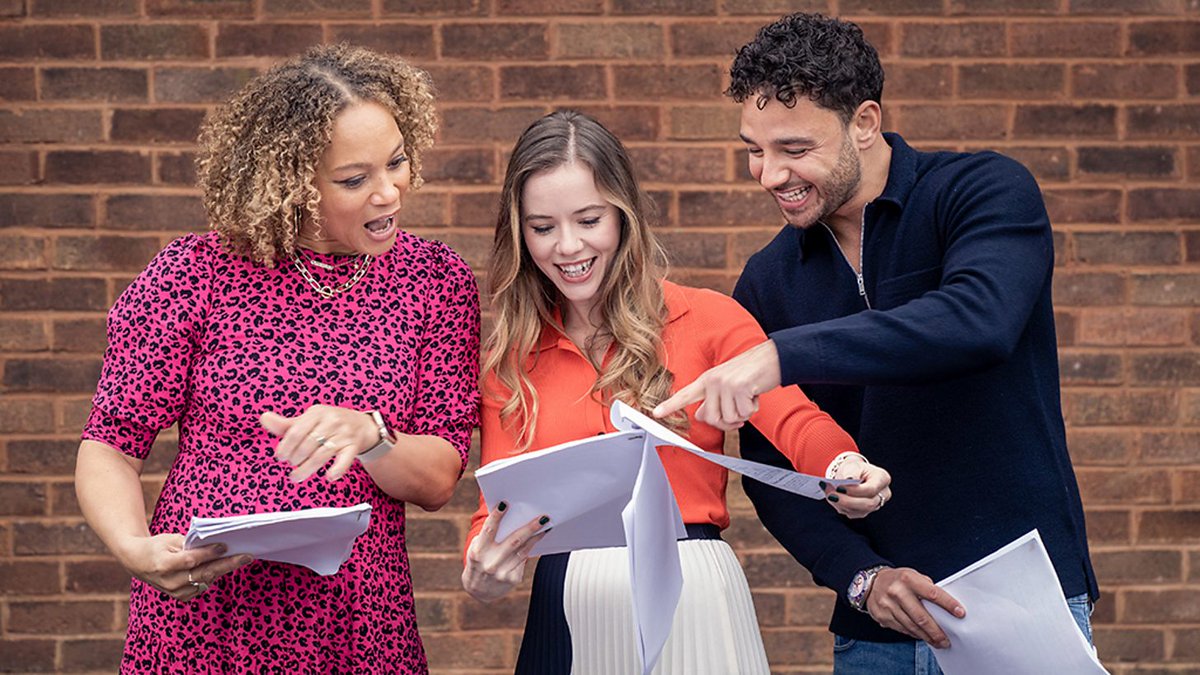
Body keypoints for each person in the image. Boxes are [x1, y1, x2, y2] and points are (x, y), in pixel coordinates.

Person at [653, 12, 1099, 674]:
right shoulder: (769, 280)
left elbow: (978, 320)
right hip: (875, 630)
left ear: (865, 123)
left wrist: (780, 355)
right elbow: (774, 471)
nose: (769, 174)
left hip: (1024, 604)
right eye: (755, 149)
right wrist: (861, 577)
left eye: (794, 150)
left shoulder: (982, 193)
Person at [74, 44, 480, 673]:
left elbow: (439, 480)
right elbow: (109, 446)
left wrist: (372, 435)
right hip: (207, 619)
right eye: (354, 179)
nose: (388, 191)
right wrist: (133, 548)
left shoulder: (433, 280)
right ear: (292, 183)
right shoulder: (194, 274)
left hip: (357, 625)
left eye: (397, 163)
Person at [459, 110, 892, 675]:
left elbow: (796, 421)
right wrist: (481, 569)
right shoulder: (512, 361)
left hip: (695, 592)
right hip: (567, 603)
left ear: (624, 216)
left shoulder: (710, 318)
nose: (567, 246)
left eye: (589, 219)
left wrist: (845, 463)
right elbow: (497, 508)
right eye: (542, 228)